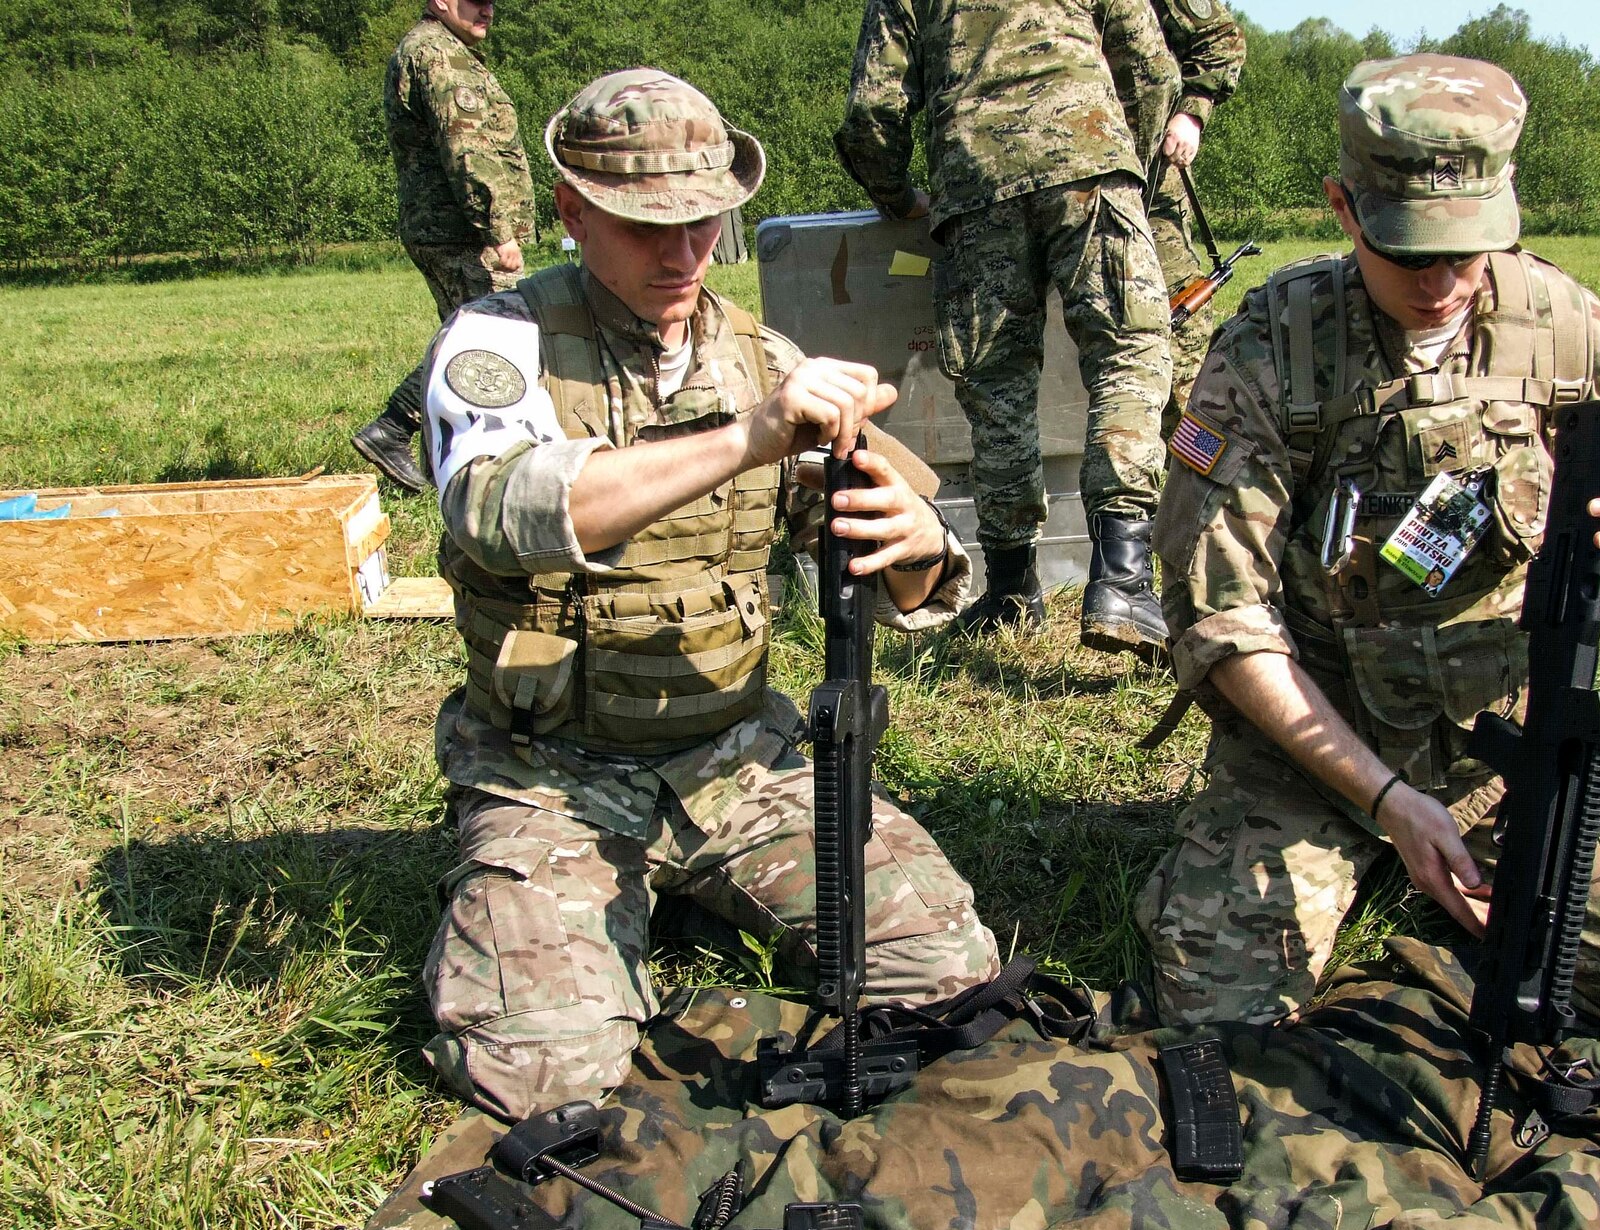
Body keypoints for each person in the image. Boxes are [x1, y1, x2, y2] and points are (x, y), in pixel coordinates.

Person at [416, 69, 999, 1119]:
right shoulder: (499, 345)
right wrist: (746, 440)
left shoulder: (758, 359)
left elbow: (899, 570)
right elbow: (496, 510)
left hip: (739, 761)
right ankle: (574, 914)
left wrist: (913, 541)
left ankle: (661, 904)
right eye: (644, 227)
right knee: (540, 1077)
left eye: (702, 224)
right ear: (571, 212)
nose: (681, 255)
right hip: (552, 773)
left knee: (944, 972)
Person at [1136, 54, 1600, 1044]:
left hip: (1502, 748)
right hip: (1313, 751)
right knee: (1221, 1016)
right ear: (1341, 206)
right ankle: (1334, 858)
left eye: (1467, 251)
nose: (1442, 282)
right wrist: (1382, 799)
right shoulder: (1270, 350)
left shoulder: (1565, 332)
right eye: (1409, 252)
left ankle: (1471, 866)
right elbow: (1219, 615)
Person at [835, 0, 1180, 662]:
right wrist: (1122, 156)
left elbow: (871, 113)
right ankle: (1124, 578)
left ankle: (1013, 586)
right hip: (1090, 163)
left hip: (976, 187)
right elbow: (1149, 66)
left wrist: (900, 198)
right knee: (1128, 354)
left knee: (998, 383)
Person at [351, 0, 536, 494]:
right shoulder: (438, 54)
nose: (487, 8)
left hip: (448, 226)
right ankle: (394, 429)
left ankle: (437, 455)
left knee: (471, 334)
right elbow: (468, 149)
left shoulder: (439, 48)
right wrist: (498, 228)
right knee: (492, 335)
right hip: (462, 231)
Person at [1147, 0, 1246, 433]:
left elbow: (1220, 40)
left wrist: (1191, 111)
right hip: (1022, 201)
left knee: (1181, 342)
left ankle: (1201, 483)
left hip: (1145, 195)